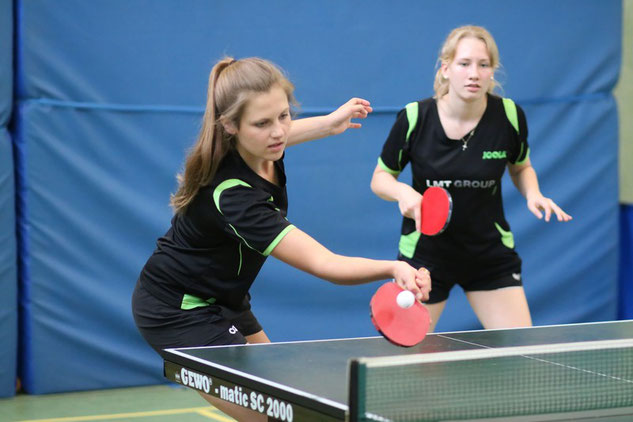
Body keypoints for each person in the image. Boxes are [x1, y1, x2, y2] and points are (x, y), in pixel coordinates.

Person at [132, 56, 431, 421]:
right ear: (230, 126)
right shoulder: (235, 197)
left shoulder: (258, 148)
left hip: (225, 296)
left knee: (286, 397)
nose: (278, 132)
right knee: (277, 415)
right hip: (178, 311)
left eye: (284, 115)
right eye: (262, 123)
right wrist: (393, 267)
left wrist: (327, 124)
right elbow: (326, 264)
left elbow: (280, 133)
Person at [370, 25, 571, 333]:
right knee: (404, 364)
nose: (474, 73)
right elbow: (381, 178)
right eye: (464, 64)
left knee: (523, 354)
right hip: (425, 256)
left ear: (493, 71)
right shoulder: (415, 117)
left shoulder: (509, 116)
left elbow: (520, 167)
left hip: (488, 253)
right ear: (446, 68)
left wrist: (533, 193)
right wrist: (402, 192)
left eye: (483, 64)